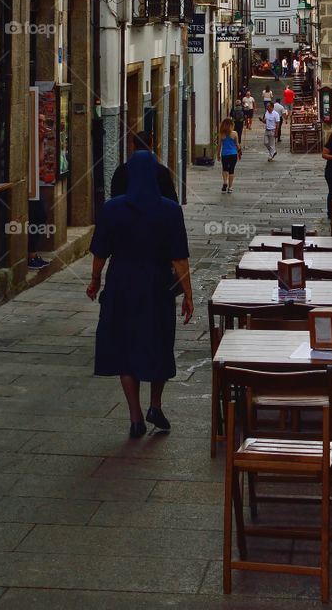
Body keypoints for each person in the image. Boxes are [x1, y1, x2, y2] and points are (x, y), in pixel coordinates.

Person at [86, 149, 194, 438]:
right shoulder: (170, 210)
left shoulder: (112, 209)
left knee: (124, 348)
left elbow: (100, 253)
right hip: (158, 286)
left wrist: (95, 281)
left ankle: (135, 417)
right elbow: (179, 258)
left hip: (121, 285)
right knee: (159, 343)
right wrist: (188, 294)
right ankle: (155, 405)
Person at [110, 132, 177, 201]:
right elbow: (171, 198)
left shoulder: (121, 171)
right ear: (151, 146)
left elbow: (115, 197)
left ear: (133, 146)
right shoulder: (162, 171)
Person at [219, 116, 242, 193]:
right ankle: (230, 187)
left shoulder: (221, 134)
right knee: (231, 170)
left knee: (225, 169)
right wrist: (239, 151)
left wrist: (218, 154)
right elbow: (237, 144)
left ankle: (225, 182)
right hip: (233, 154)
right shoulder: (234, 133)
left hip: (224, 154)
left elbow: (219, 145)